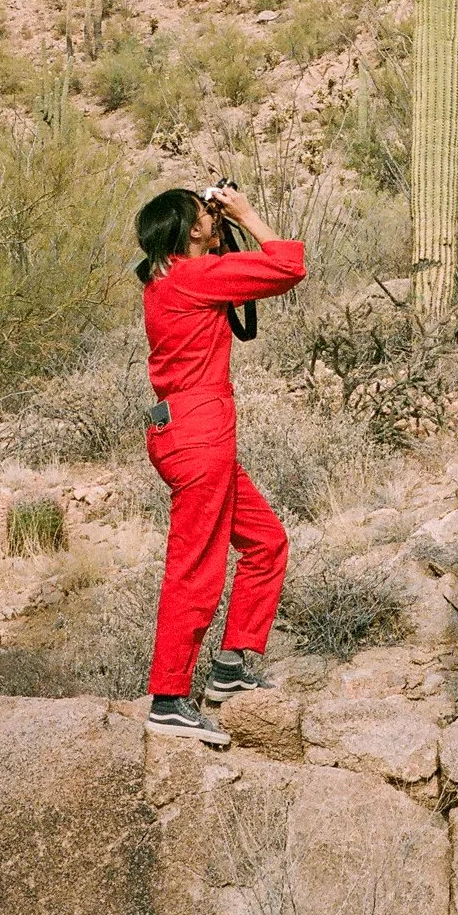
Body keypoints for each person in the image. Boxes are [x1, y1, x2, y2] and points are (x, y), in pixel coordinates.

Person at [136, 182, 306, 744]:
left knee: (265, 541)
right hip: (200, 432)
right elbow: (288, 265)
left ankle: (230, 669)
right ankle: (168, 698)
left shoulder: (168, 278)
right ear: (189, 232)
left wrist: (219, 228)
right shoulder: (192, 276)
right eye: (203, 213)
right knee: (197, 564)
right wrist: (247, 214)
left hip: (186, 431)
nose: (212, 215)